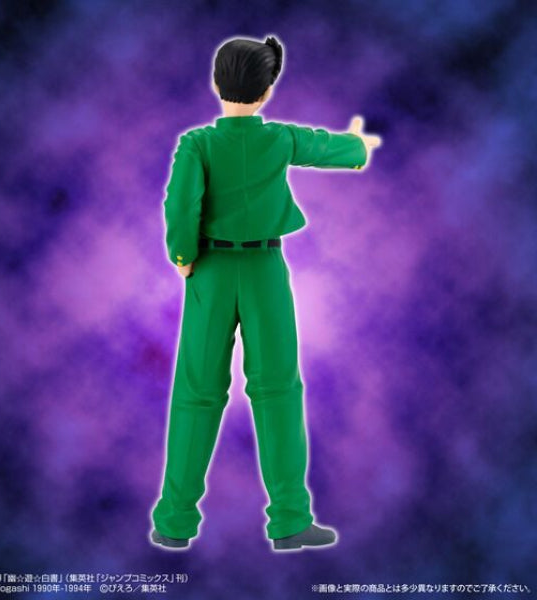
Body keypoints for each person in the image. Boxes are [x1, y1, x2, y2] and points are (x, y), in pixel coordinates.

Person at [150, 35, 382, 551]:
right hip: (265, 270)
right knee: (277, 389)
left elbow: (180, 203)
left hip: (209, 270)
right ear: (267, 91)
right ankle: (291, 520)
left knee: (197, 393)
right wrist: (359, 147)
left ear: (215, 84)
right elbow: (325, 146)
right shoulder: (279, 137)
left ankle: (174, 521)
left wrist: (182, 255)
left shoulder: (196, 144)